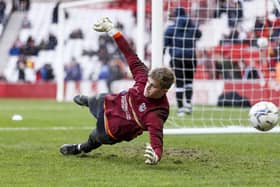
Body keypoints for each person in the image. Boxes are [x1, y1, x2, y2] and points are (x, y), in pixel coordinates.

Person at [59, 17, 175, 165]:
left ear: (164, 91)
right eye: (148, 83)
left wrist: (156, 156)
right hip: (110, 103)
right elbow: (129, 54)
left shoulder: (157, 112)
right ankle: (88, 101)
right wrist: (112, 30)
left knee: (94, 138)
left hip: (115, 128)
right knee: (96, 99)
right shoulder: (143, 77)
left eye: (153, 86)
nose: (147, 87)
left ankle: (79, 148)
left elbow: (157, 138)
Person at [164, 7, 202, 116]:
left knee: (179, 83)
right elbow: (199, 35)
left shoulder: (171, 29)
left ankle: (180, 109)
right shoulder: (192, 27)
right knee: (189, 82)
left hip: (177, 58)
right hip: (190, 57)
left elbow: (164, 44)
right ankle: (188, 105)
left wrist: (161, 56)